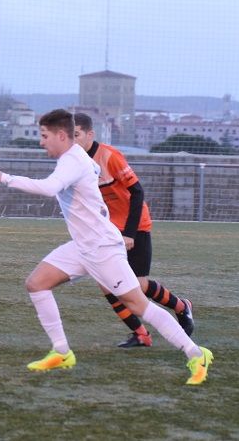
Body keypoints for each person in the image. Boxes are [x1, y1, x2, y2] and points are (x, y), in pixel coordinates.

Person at [0, 109, 213, 385]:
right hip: (82, 246)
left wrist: (5, 177)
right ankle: (62, 352)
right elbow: (87, 176)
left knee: (138, 304)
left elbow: (49, 188)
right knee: (37, 283)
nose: (41, 142)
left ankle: (196, 354)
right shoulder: (76, 158)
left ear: (61, 135)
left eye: (44, 136)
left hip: (102, 247)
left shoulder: (72, 160)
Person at [73, 112, 194, 347]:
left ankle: (182, 306)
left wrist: (129, 232)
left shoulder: (109, 156)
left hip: (135, 226)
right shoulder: (74, 162)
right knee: (107, 284)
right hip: (108, 230)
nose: (72, 140)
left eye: (76, 135)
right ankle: (140, 334)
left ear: (90, 134)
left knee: (137, 286)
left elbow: (137, 192)